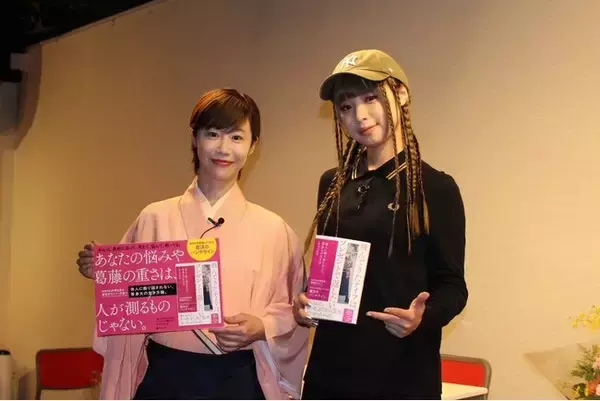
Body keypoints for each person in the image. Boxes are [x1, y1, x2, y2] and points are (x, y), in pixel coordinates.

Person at [77, 88, 309, 400]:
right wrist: (109, 274)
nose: (223, 148)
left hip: (238, 379)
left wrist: (261, 327)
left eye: (236, 137)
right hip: (165, 377)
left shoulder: (275, 231)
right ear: (195, 139)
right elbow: (132, 301)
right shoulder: (154, 217)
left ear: (253, 145)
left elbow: (296, 309)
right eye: (212, 134)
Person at [293, 49, 468, 399]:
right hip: (330, 372)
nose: (360, 116)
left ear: (400, 94)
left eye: (370, 98)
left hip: (400, 376)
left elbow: (453, 286)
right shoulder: (332, 183)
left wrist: (422, 317)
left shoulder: (434, 187)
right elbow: (335, 271)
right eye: (346, 107)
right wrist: (307, 301)